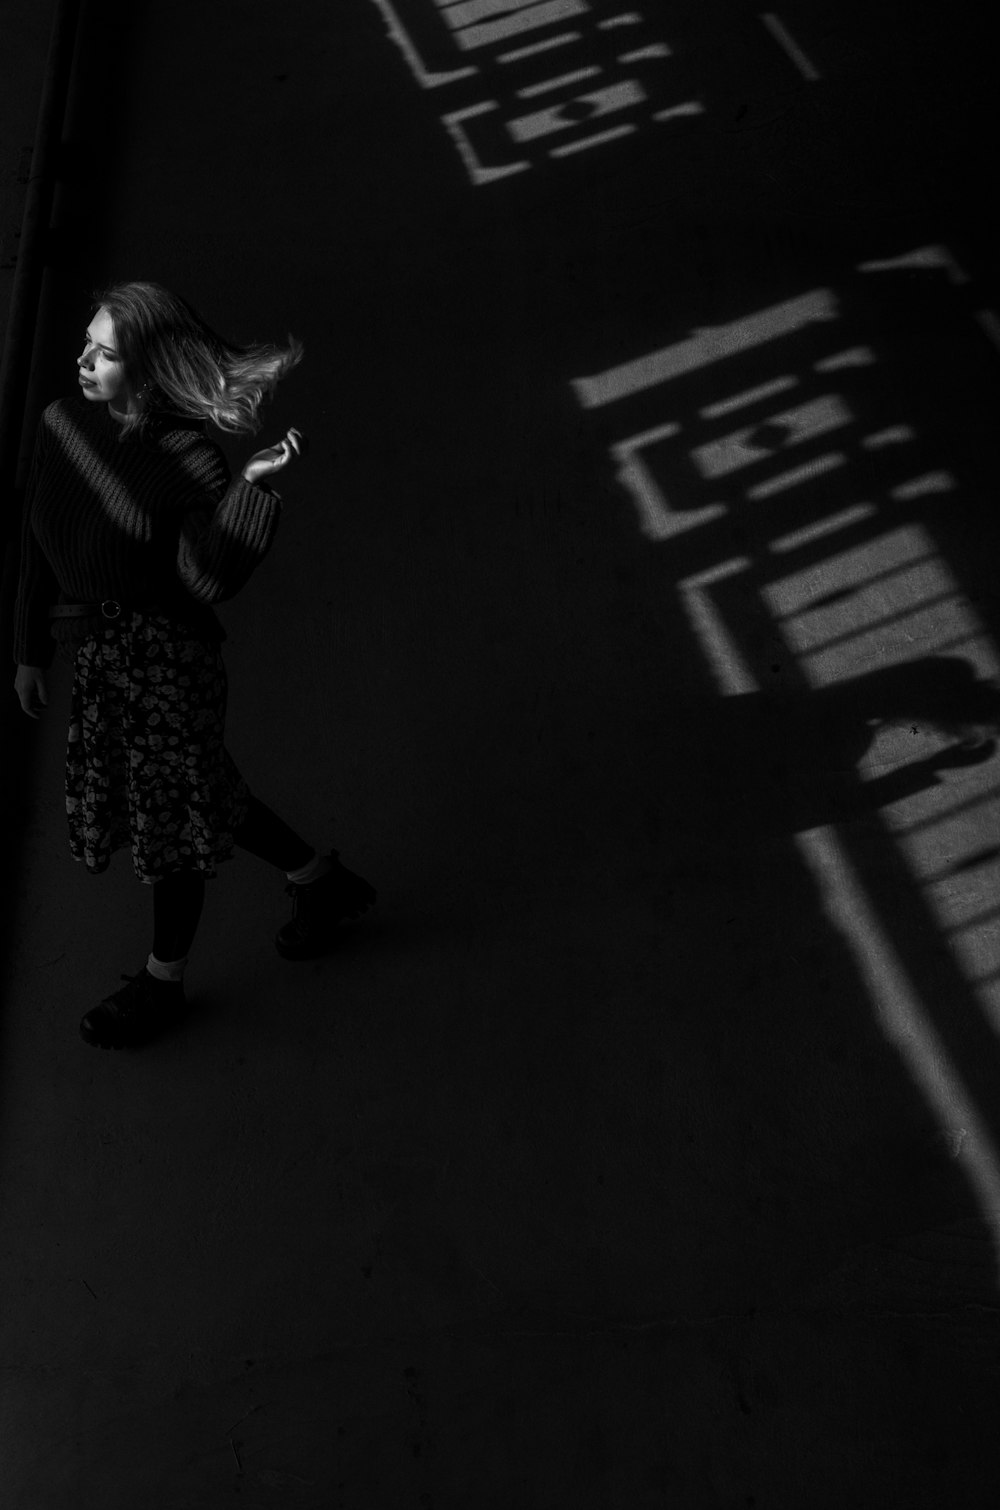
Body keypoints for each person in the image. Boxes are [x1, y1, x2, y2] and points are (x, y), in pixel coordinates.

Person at [11, 280, 375, 1050]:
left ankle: (162, 982)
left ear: (146, 372)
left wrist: (248, 491)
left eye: (105, 354)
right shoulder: (59, 424)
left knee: (171, 818)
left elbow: (206, 581)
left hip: (170, 659)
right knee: (206, 791)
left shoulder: (189, 459)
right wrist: (28, 649)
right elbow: (36, 544)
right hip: (103, 659)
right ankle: (322, 883)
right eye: (86, 342)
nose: (82, 360)